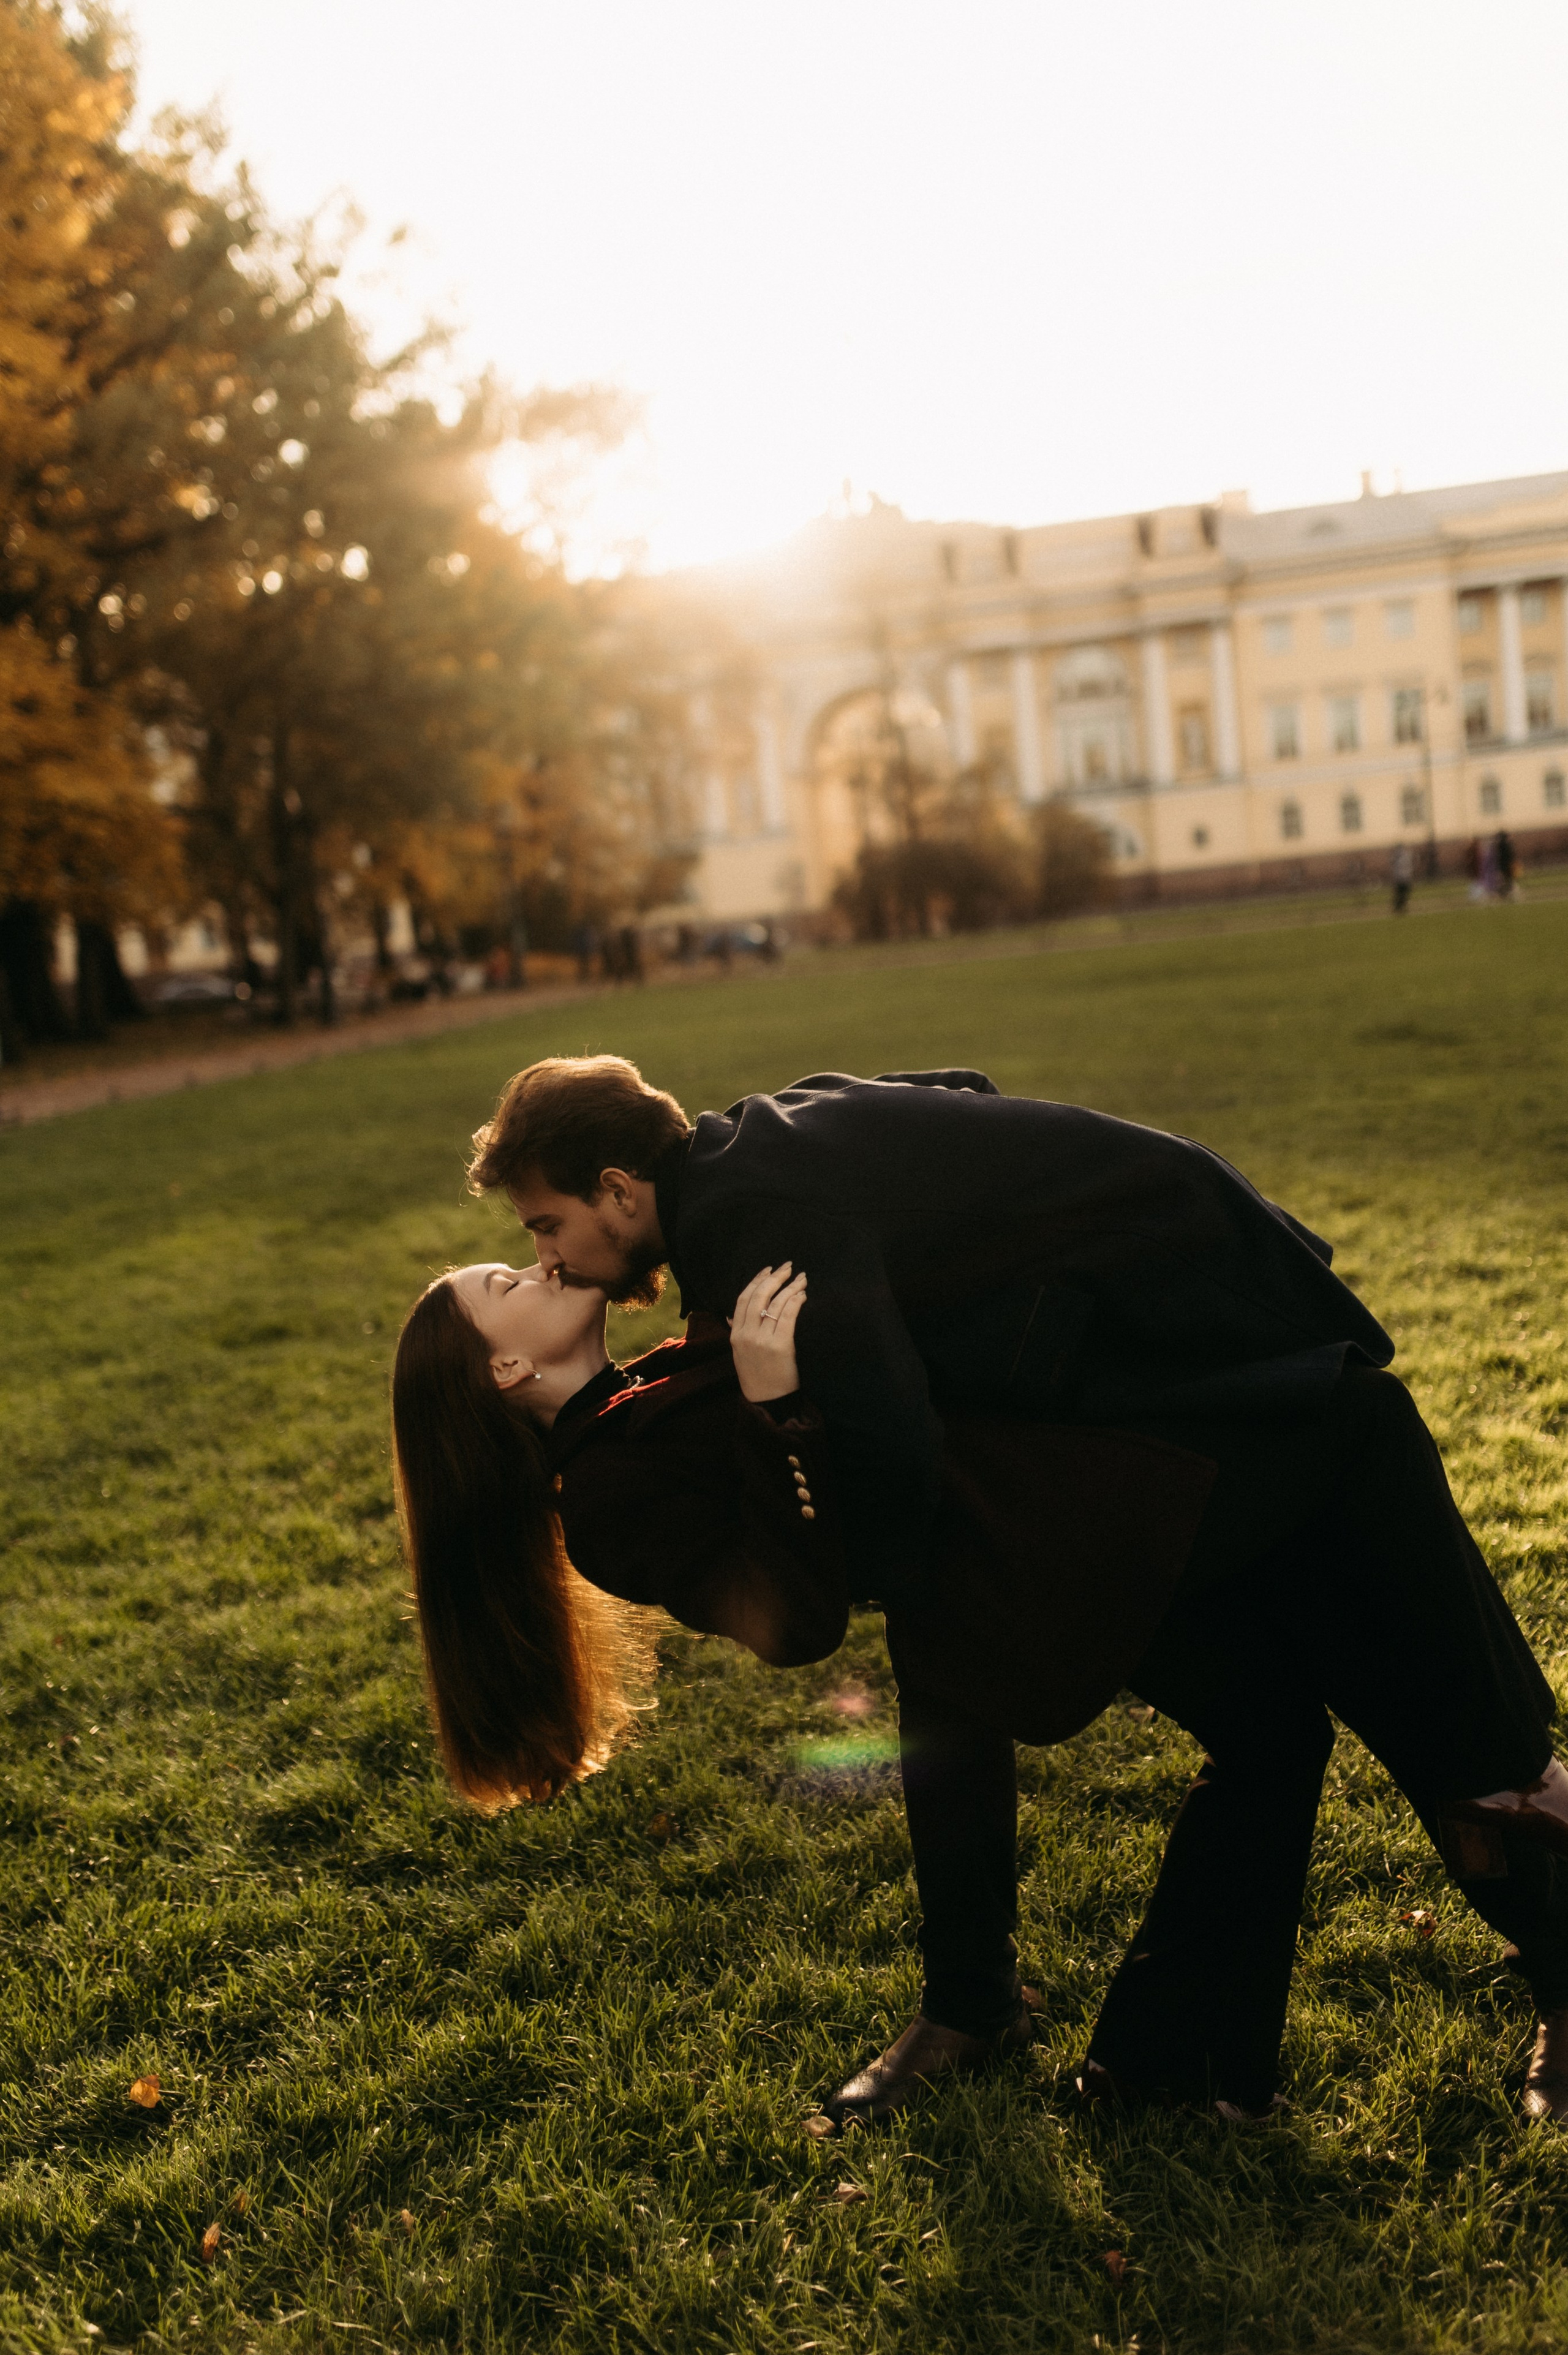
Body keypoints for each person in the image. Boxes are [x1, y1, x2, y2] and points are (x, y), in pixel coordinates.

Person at [391, 1246, 1568, 2132]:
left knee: (1292, 1720)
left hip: (1060, 1520)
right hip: (1042, 1565)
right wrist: (774, 1405)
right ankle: (1168, 2056)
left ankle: (1169, 2067)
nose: (537, 1258)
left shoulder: (638, 1390)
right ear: (503, 1364)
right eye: (507, 1276)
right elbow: (793, 1618)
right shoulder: (602, 1502)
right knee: (1341, 1695)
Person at [1390, 840, 1414, 915]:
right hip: (1402, 878)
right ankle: (1399, 907)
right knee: (1401, 894)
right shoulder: (1399, 856)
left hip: (1403, 877)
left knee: (1402, 894)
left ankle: (1399, 907)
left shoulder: (1402, 856)